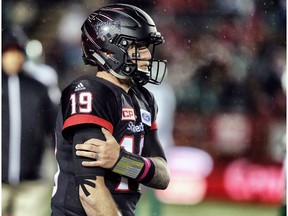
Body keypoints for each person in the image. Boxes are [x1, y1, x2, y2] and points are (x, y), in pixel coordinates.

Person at [50, 3, 170, 216]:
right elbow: (90, 193)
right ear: (108, 50)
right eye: (137, 47)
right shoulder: (90, 91)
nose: (147, 56)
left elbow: (163, 176)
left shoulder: (144, 98)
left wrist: (121, 161)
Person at [2, 38, 56, 216]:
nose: (12, 58)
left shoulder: (37, 89)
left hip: (31, 177)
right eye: (7, 53)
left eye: (16, 53)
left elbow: (52, 126)